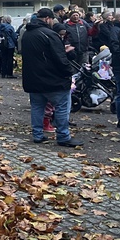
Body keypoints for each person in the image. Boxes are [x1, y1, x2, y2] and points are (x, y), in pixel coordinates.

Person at [21, 8, 83, 147]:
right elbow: (59, 58)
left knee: (37, 107)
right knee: (61, 107)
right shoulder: (49, 34)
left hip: (33, 79)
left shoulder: (26, 34)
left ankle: (37, 134)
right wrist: (68, 72)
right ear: (48, 19)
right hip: (53, 79)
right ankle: (63, 136)